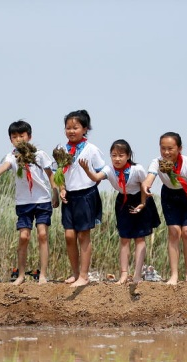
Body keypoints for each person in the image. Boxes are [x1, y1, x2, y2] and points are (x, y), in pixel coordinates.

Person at [80, 139, 161, 283]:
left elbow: (144, 185)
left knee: (140, 238)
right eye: (114, 155)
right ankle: (124, 274)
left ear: (128, 156)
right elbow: (96, 177)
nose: (117, 159)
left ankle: (137, 274)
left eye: (121, 155)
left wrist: (142, 203)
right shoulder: (109, 170)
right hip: (123, 202)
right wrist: (87, 170)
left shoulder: (137, 169)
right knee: (124, 238)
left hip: (140, 200)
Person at [0, 120, 57, 285]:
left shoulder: (39, 154)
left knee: (42, 235)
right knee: (24, 237)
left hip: (42, 201)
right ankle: (20, 275)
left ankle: (43, 275)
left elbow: (50, 175)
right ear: (11, 140)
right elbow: (5, 165)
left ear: (29, 137)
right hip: (23, 203)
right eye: (14, 137)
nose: (19, 139)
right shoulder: (12, 156)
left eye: (22, 135)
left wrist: (55, 192)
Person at [142, 132, 187, 285]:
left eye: (170, 148)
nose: (166, 152)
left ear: (179, 148)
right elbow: (150, 177)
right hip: (170, 196)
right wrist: (145, 185)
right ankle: (174, 275)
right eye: (163, 149)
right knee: (174, 232)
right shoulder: (157, 162)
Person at [57, 109, 108, 287]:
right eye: (68, 128)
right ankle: (75, 273)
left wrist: (93, 181)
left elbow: (104, 171)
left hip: (86, 195)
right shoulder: (62, 150)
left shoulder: (91, 149)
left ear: (85, 129)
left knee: (83, 236)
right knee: (69, 235)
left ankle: (84, 276)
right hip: (69, 197)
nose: (71, 131)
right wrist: (61, 189)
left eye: (75, 127)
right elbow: (59, 173)